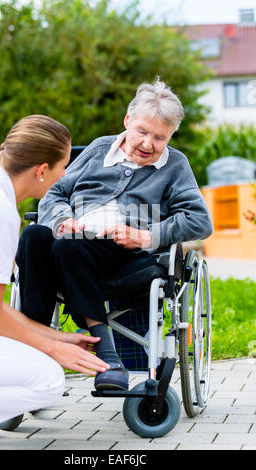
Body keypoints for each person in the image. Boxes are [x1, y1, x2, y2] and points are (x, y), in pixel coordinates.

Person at [16, 79, 213, 392]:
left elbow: (200, 220)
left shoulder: (175, 166)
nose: (148, 144)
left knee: (69, 248)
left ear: (170, 137)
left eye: (160, 137)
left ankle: (108, 358)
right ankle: (33, 347)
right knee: (34, 237)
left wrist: (145, 235)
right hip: (73, 242)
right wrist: (63, 219)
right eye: (142, 132)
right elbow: (56, 190)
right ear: (127, 121)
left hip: (126, 254)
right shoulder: (98, 149)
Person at [0, 115, 110, 441]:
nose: (65, 175)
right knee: (49, 380)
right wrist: (53, 351)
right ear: (42, 171)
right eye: (63, 167)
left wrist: (55, 338)